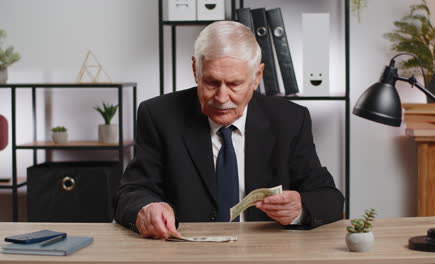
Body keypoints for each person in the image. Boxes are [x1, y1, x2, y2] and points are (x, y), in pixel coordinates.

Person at [113, 21, 344, 239]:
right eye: (212, 82)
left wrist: (299, 208)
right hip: (185, 252)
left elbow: (329, 198)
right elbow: (131, 193)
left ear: (257, 77)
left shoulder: (290, 119)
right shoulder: (158, 115)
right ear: (195, 70)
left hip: (267, 253)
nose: (222, 98)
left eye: (234, 84)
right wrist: (147, 209)